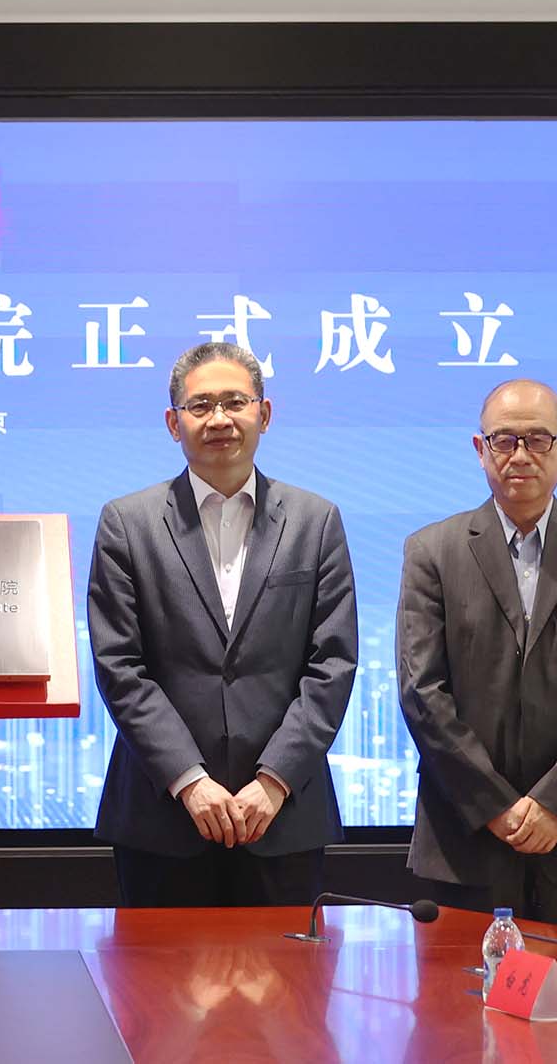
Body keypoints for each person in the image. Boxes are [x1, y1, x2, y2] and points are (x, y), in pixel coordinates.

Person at [85, 342, 360, 906]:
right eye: (200, 405)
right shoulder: (126, 523)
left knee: (287, 993)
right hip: (162, 818)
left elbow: (333, 664)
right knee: (157, 994)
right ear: (173, 422)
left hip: (282, 817)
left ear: (264, 412)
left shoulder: (316, 521)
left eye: (235, 401)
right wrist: (190, 781)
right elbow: (120, 666)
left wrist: (274, 780)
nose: (219, 419)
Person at [397, 379, 557, 931]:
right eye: (504, 441)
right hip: (464, 838)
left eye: (538, 439)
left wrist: (556, 803)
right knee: (455, 1010)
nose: (521, 456)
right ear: (480, 450)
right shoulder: (431, 551)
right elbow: (421, 690)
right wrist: (493, 805)